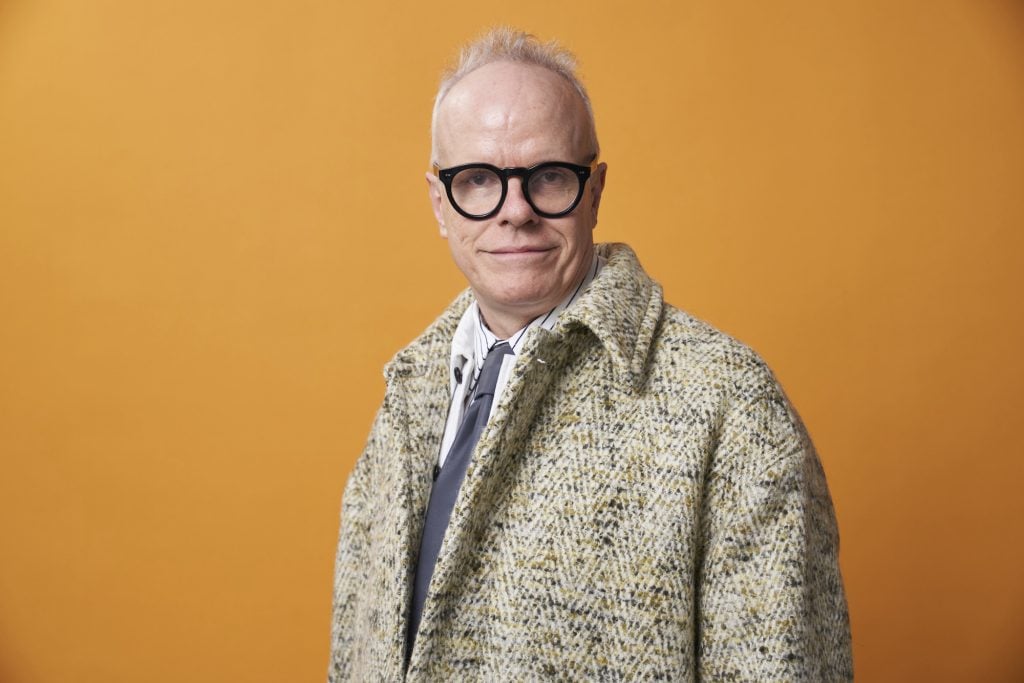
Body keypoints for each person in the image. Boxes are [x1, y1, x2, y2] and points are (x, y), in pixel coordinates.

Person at [329, 27, 852, 682]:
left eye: (549, 177)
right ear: (440, 202)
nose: (514, 211)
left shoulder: (729, 403)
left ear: (596, 190)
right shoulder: (408, 394)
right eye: (478, 179)